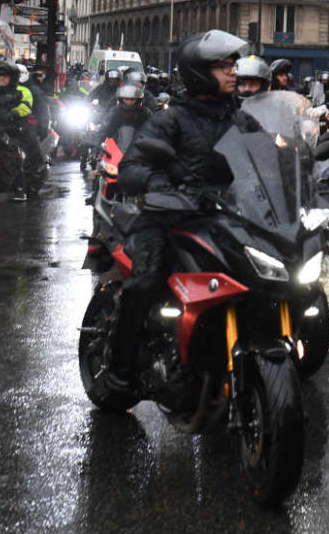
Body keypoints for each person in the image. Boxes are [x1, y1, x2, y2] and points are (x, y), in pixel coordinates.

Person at [112, 30, 261, 387]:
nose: (232, 72)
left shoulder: (241, 118)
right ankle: (121, 366)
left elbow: (268, 158)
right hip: (169, 217)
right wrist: (161, 185)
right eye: (223, 66)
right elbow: (132, 168)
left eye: (233, 65)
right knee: (146, 281)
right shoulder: (172, 120)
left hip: (222, 217)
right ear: (198, 72)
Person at [0, 60, 42, 200]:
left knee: (17, 154)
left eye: (5, 76)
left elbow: (26, 106)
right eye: (0, 75)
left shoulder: (22, 91)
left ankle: (20, 188)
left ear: (12, 78)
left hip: (14, 128)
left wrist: (13, 113)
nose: (2, 78)